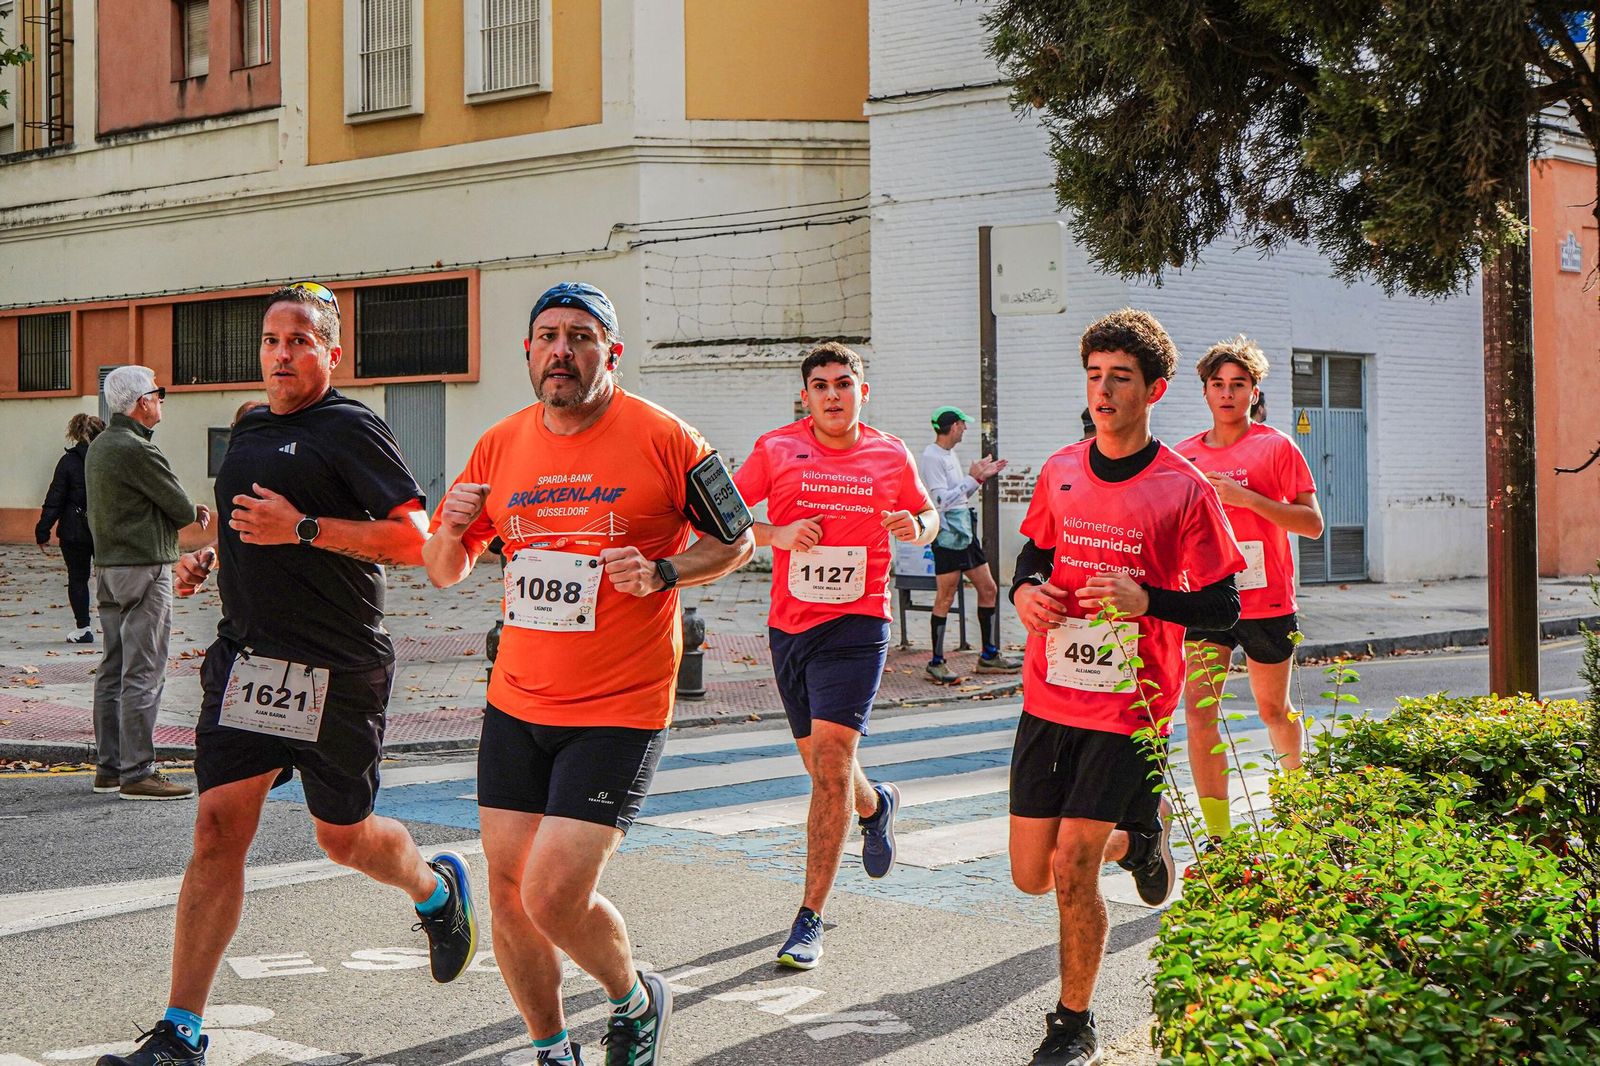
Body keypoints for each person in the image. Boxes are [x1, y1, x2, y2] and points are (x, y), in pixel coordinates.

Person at [97, 284, 478, 1066]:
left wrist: (300, 529)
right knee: (214, 832)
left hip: (337, 668)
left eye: (300, 340)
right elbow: (249, 527)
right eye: (272, 340)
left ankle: (436, 890)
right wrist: (213, 559)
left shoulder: (352, 429)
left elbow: (415, 541)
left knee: (344, 840)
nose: (282, 354)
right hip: (249, 663)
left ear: (331, 353)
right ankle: (181, 1032)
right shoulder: (250, 429)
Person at [424, 282, 753, 1066]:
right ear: (528, 352)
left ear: (611, 351)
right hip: (517, 701)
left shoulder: (667, 438)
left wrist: (666, 570)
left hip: (620, 705)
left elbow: (736, 540)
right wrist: (454, 520)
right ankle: (550, 1047)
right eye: (547, 336)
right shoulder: (499, 446)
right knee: (506, 892)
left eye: (579, 336)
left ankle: (634, 998)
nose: (561, 350)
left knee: (550, 895)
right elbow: (442, 571)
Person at [1008, 309, 1245, 1066]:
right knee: (1031, 873)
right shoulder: (1060, 469)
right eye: (1094, 376)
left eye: (1120, 378)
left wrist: (1150, 601)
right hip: (1049, 694)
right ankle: (1141, 838)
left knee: (1072, 864)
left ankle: (1072, 1022)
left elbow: (1222, 607)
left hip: (1128, 704)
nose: (1104, 391)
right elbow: (1031, 560)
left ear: (1155, 389)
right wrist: (1024, 596)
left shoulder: (1183, 487)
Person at [735, 342, 939, 971]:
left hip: (858, 622)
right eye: (820, 384)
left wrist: (917, 527)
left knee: (829, 763)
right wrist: (777, 534)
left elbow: (928, 513)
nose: (831, 394)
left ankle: (809, 917)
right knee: (826, 767)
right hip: (791, 626)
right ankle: (875, 805)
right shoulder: (777, 448)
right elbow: (724, 517)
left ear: (862, 392)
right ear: (806, 395)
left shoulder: (889, 451)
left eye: (843, 383)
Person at [1176, 339, 1322, 842]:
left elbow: (1312, 524)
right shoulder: (1184, 456)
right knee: (1198, 713)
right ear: (1205, 392)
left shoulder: (1276, 446)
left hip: (1267, 600)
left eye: (1238, 384)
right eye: (1218, 384)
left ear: (1254, 391)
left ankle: (1298, 806)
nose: (1227, 393)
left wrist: (1246, 498)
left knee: (1271, 711)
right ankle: (1220, 837)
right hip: (1208, 597)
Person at [85, 366, 211, 800]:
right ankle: (137, 772)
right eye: (158, 394)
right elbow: (179, 510)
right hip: (144, 568)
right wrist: (191, 509)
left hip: (107, 569)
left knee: (113, 668)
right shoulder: (139, 449)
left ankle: (108, 767)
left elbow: (136, 502)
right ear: (142, 402)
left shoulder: (100, 446)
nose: (160, 401)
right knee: (144, 670)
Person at [918, 406, 1023, 683]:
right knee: (946, 595)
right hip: (949, 534)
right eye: (963, 424)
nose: (965, 429)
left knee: (988, 588)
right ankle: (936, 661)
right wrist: (971, 477)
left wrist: (978, 478)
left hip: (965, 531)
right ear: (952, 426)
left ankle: (989, 655)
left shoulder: (949, 454)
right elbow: (940, 501)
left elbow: (958, 497)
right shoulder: (932, 456)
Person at [37, 413, 105, 644]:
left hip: (74, 531)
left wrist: (43, 531)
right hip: (105, 530)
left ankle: (83, 628)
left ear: (75, 433)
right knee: (111, 577)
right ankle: (116, 627)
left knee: (78, 578)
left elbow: (54, 499)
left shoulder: (68, 462)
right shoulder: (110, 460)